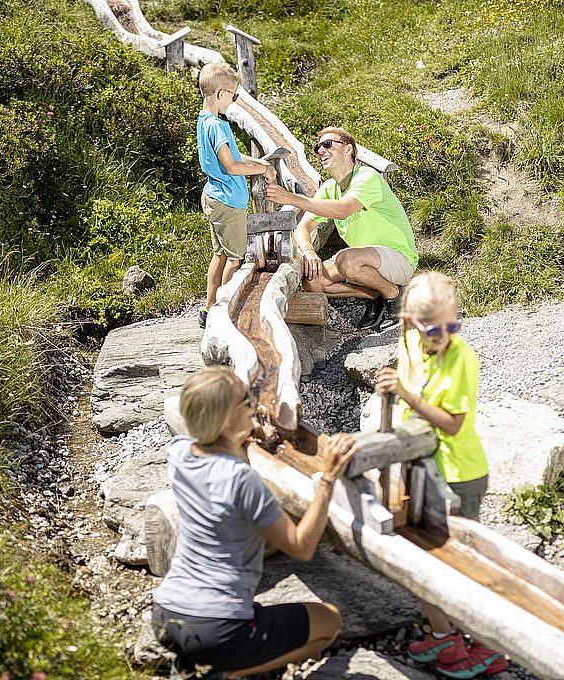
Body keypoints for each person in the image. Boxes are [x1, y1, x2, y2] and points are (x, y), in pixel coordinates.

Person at [152, 365, 357, 679]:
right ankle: (230, 674)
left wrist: (246, 432)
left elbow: (216, 449)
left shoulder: (179, 452)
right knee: (329, 622)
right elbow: (301, 547)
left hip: (165, 615)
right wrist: (327, 480)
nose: (253, 402)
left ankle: (196, 657)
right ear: (224, 418)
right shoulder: (240, 479)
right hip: (217, 630)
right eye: (245, 400)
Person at [375, 272, 507, 679]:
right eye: (435, 329)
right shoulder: (409, 341)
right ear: (410, 322)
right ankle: (444, 634)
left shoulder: (461, 356)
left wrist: (406, 394)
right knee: (422, 556)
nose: (445, 335)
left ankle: (488, 645)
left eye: (455, 325)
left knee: (461, 563)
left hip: (458, 474)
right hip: (420, 466)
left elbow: (452, 423)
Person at [265, 127, 418, 332]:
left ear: (348, 150)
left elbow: (344, 209)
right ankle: (375, 293)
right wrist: (309, 252)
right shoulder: (330, 187)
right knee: (313, 281)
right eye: (317, 147)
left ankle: (394, 296)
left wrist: (291, 198)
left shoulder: (366, 177)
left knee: (347, 260)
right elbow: (303, 227)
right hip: (364, 260)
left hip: (399, 259)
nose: (321, 151)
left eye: (327, 144)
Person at [196, 62, 276, 329]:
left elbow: (230, 157)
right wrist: (263, 168)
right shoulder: (218, 126)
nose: (234, 99)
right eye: (233, 95)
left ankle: (208, 307)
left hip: (214, 197)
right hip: (228, 201)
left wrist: (257, 165)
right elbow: (230, 166)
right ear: (220, 94)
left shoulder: (205, 121)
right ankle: (222, 310)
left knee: (219, 255)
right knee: (235, 258)